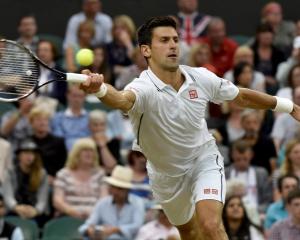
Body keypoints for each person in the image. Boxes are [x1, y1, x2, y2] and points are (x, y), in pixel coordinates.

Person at [79, 16, 300, 240]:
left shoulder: (200, 77)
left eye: (175, 39)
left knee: (211, 225)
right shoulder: (142, 88)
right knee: (190, 233)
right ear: (146, 50)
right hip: (166, 176)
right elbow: (121, 99)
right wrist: (100, 90)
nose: (173, 45)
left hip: (203, 160)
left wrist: (287, 105)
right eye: (164, 40)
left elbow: (240, 96)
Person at [78, 165, 145, 240]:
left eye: (120, 189)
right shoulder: (102, 203)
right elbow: (88, 225)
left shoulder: (138, 202)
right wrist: (89, 230)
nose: (115, 192)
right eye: (113, 187)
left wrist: (116, 229)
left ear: (127, 190)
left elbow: (137, 226)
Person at [53, 138, 107, 219]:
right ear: (76, 154)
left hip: (94, 217)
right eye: (85, 150)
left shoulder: (100, 174)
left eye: (91, 151)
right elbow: (57, 201)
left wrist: (93, 213)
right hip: (68, 217)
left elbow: (104, 199)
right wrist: (72, 212)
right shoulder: (63, 174)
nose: (89, 153)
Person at [2, 139, 49, 221]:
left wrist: (36, 211)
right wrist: (16, 207)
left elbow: (42, 198)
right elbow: (8, 196)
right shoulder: (10, 172)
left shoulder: (42, 173)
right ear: (19, 155)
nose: (29, 156)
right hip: (14, 210)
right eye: (26, 153)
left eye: (32, 153)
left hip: (35, 212)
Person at [225, 140, 272, 214]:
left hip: (257, 212)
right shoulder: (225, 173)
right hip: (230, 213)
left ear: (251, 155)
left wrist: (254, 211)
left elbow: (267, 200)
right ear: (232, 155)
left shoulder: (261, 173)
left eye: (245, 159)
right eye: (238, 159)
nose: (242, 162)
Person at [28, 106, 67, 185]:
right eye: (39, 120)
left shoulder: (59, 142)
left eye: (45, 119)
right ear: (31, 123)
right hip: (30, 180)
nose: (42, 123)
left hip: (54, 181)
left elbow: (64, 166)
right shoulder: (26, 141)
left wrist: (55, 179)